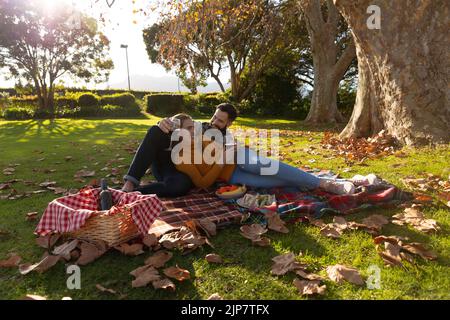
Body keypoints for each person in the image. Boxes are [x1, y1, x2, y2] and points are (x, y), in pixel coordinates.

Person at [174, 124, 357, 195]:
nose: (194, 130)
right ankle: (336, 182)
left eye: (193, 126)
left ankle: (325, 184)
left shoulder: (202, 138)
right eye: (188, 128)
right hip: (232, 176)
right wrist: (221, 161)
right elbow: (203, 182)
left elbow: (224, 148)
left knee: (262, 165)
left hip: (239, 156)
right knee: (274, 181)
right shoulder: (180, 158)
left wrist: (228, 150)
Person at [121, 103, 238, 196]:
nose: (214, 122)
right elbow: (177, 121)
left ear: (229, 123)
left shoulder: (226, 141)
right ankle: (130, 183)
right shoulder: (201, 126)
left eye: (220, 121)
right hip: (165, 156)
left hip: (180, 170)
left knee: (180, 185)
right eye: (214, 117)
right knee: (156, 131)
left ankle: (133, 194)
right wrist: (162, 123)